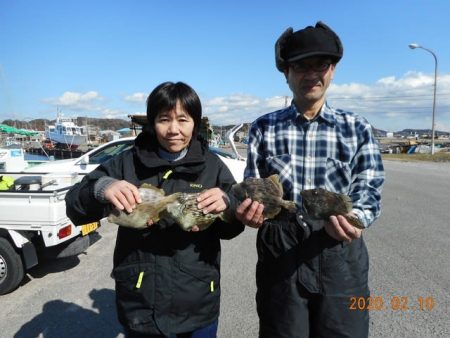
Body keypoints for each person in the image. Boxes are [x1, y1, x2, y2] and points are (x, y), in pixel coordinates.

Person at [236, 22, 385, 337]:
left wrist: (356, 217)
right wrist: (251, 211)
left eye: (321, 64)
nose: (311, 73)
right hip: (280, 250)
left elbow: (369, 189)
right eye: (301, 65)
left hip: (339, 252)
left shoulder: (357, 128)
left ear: (332, 71)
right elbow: (253, 184)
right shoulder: (264, 128)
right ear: (286, 73)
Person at [65, 81, 244, 338]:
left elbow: (233, 226)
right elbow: (75, 205)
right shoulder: (126, 162)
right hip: (140, 304)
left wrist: (227, 204)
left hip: (198, 303)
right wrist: (102, 187)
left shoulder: (213, 166)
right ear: (152, 122)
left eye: (183, 120)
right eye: (164, 119)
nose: (174, 130)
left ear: (195, 123)